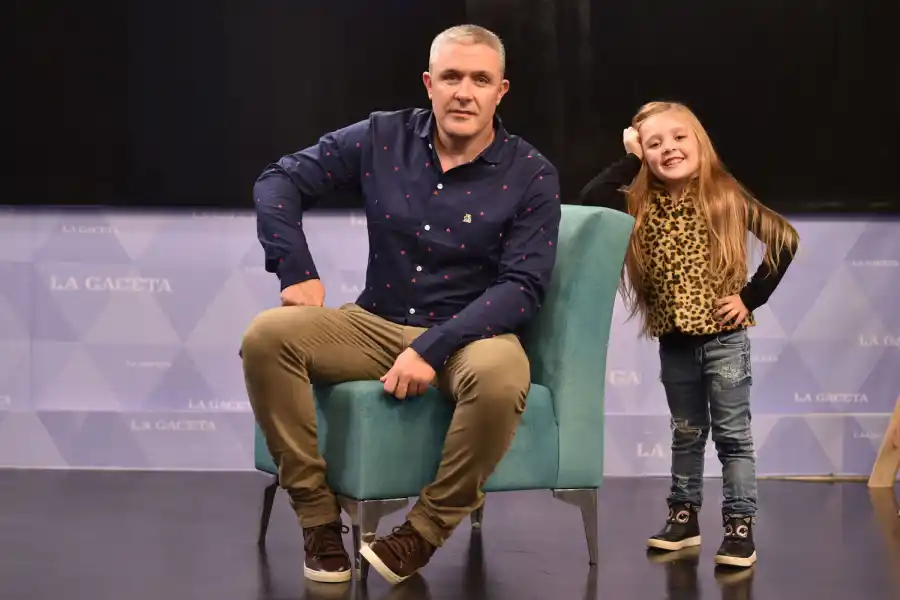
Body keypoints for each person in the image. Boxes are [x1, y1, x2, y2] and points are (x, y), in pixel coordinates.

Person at [241, 24, 561, 586]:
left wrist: (434, 348)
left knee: (503, 376)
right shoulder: (382, 136)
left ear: (501, 91)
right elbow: (278, 182)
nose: (464, 91)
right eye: (451, 77)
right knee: (268, 337)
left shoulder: (532, 173)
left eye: (480, 79)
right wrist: (297, 272)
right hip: (373, 321)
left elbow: (522, 288)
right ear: (429, 84)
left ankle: (423, 532)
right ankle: (317, 520)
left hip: (471, 333)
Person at [580, 101, 799, 568]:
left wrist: (750, 298)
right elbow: (590, 198)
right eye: (654, 143)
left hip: (725, 342)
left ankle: (740, 525)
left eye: (678, 137)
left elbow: (783, 239)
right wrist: (631, 156)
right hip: (674, 342)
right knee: (685, 432)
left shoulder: (724, 195)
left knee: (733, 436)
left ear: (699, 140)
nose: (669, 149)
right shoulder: (638, 199)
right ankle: (683, 516)